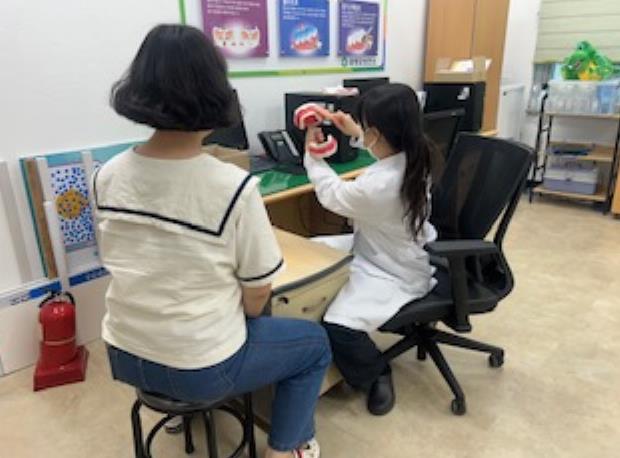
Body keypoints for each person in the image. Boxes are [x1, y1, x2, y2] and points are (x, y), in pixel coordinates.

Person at [95, 24, 330, 458]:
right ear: (215, 93)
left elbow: (134, 259)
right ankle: (287, 448)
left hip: (124, 353)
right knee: (313, 345)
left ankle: (180, 402)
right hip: (200, 367)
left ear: (139, 89)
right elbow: (257, 293)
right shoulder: (232, 187)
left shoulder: (105, 175)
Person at [303, 83, 442, 416]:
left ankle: (376, 373)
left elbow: (332, 194)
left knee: (339, 324)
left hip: (393, 268)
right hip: (387, 246)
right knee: (311, 252)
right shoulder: (418, 150)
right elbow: (383, 156)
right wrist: (355, 132)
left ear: (378, 134)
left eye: (366, 129)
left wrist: (311, 155)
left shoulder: (381, 186)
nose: (363, 134)